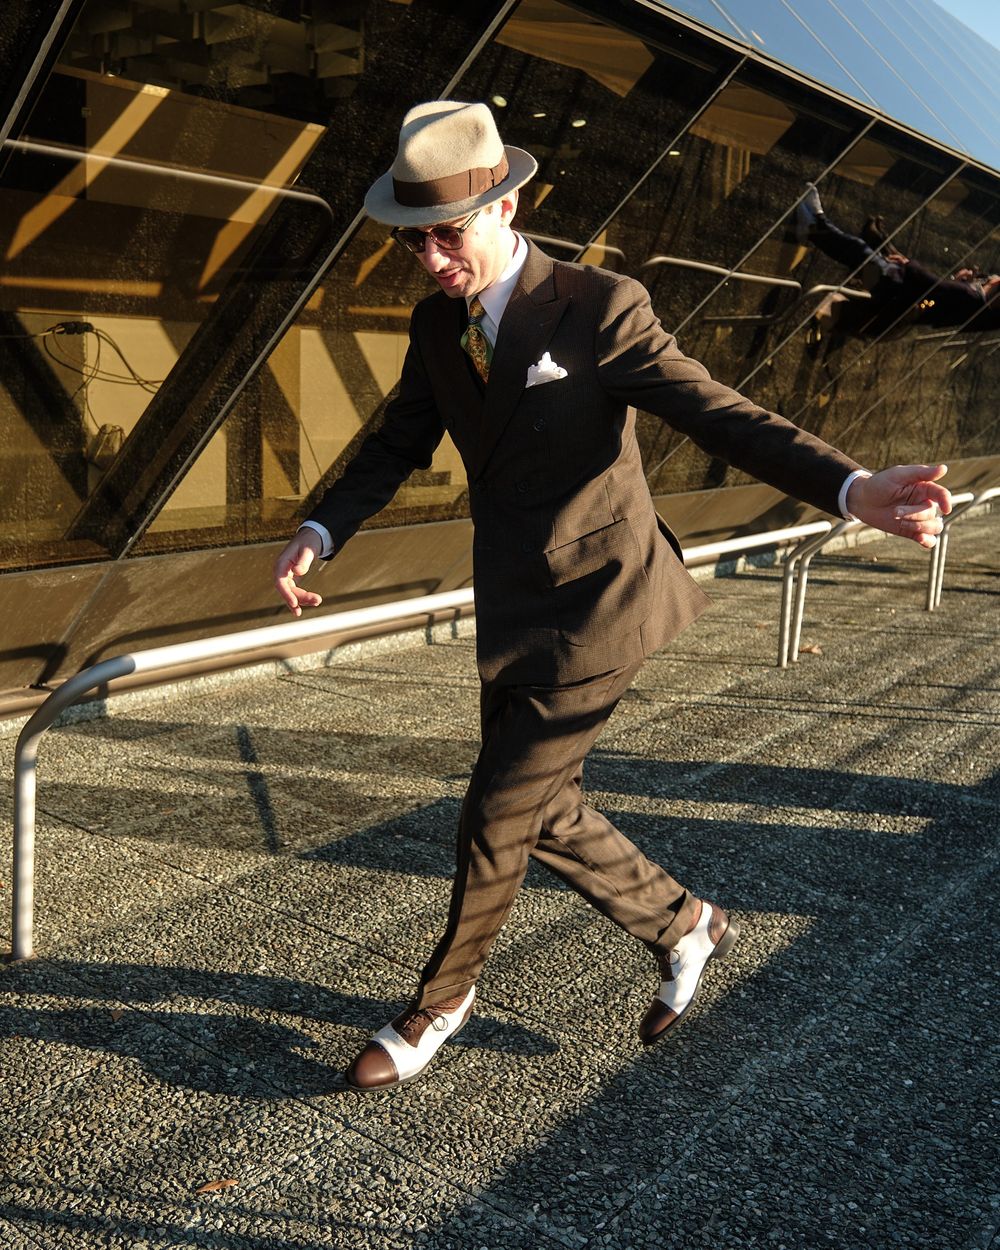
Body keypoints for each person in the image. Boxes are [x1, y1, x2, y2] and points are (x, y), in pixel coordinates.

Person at [273, 102, 951, 1092]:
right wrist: (319, 529)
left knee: (495, 809)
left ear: (508, 204)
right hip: (513, 606)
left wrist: (851, 488)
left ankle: (440, 1002)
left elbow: (717, 411)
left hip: (603, 604)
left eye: (446, 235)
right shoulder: (437, 325)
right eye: (413, 241)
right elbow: (393, 442)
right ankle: (687, 922)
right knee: (543, 808)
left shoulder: (597, 305)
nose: (429, 260)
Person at [797, 182, 1000, 337]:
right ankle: (816, 222)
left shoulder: (973, 298)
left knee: (857, 250)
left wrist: (908, 263)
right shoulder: (976, 299)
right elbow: (941, 297)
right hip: (895, 288)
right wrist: (957, 281)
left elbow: (932, 285)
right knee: (857, 252)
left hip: (891, 287)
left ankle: (814, 225)